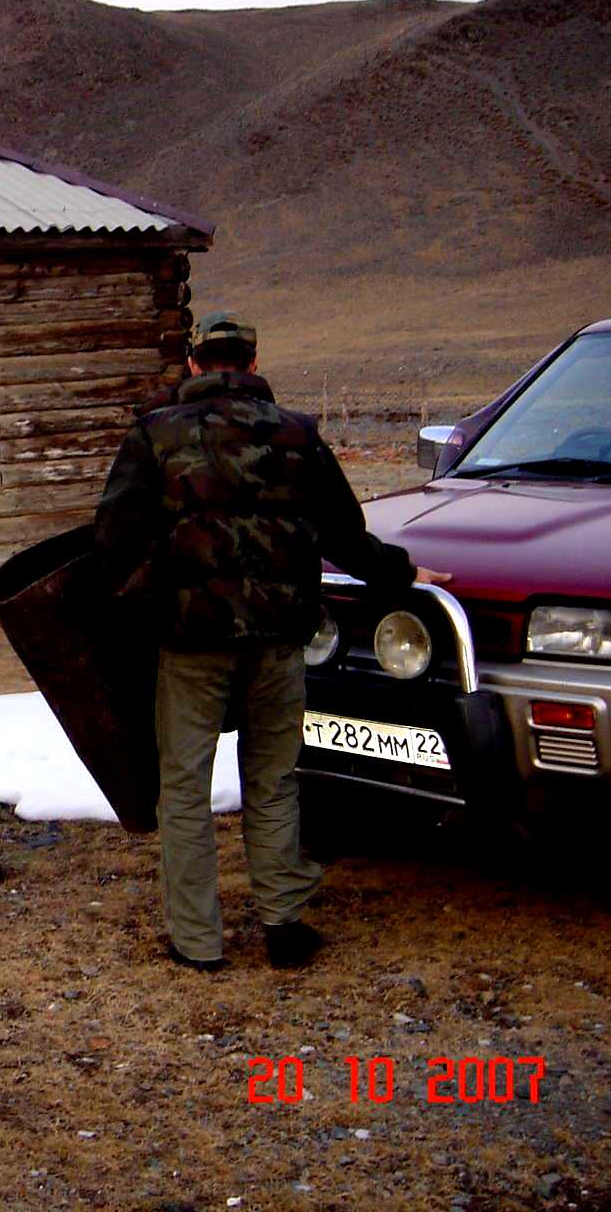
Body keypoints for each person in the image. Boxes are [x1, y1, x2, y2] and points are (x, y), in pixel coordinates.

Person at [90, 311, 447, 971]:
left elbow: (111, 538)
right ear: (252, 363)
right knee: (274, 777)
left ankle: (198, 943)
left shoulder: (156, 435)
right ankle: (283, 922)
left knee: (186, 785)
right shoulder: (297, 435)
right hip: (280, 639)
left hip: (191, 640)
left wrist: (145, 597)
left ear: (195, 364)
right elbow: (345, 535)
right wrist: (404, 574)